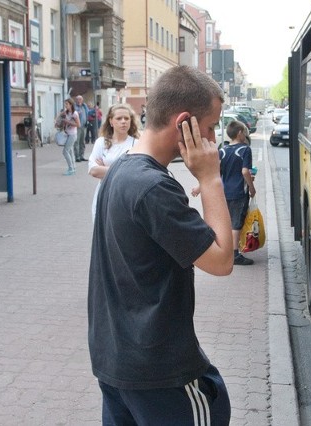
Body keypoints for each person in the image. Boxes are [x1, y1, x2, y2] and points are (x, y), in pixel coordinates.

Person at [88, 65, 233, 425]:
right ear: (184, 121)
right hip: (159, 371)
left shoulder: (121, 170)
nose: (214, 139)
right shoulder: (154, 187)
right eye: (211, 127)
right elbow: (221, 260)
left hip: (116, 361)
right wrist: (211, 179)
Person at [192, 120, 257, 266]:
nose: (246, 135)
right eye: (245, 132)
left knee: (226, 222)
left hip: (223, 192)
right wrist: (251, 187)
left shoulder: (222, 150)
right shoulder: (245, 149)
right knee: (236, 223)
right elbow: (245, 171)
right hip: (239, 192)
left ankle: (223, 249)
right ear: (240, 133)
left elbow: (215, 172)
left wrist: (199, 187)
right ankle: (235, 254)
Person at [87, 103, 140, 221]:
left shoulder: (136, 144)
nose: (123, 121)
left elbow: (136, 173)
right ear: (111, 121)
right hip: (104, 194)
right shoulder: (101, 142)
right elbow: (93, 170)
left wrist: (106, 169)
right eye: (119, 118)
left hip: (126, 196)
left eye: (126, 118)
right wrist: (124, 169)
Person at [55, 98, 80, 176]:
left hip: (72, 135)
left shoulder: (75, 113)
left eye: (67, 104)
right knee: (70, 151)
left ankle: (71, 168)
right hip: (67, 134)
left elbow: (78, 125)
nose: (65, 106)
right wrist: (57, 121)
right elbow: (58, 116)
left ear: (71, 104)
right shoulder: (66, 112)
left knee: (65, 151)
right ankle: (73, 167)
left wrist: (68, 122)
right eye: (65, 104)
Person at [74, 95, 89, 162]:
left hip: (84, 126)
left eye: (80, 99)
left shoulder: (84, 106)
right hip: (77, 127)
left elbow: (88, 112)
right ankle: (77, 157)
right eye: (78, 99)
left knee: (82, 142)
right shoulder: (74, 107)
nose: (79, 101)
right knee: (77, 141)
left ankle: (81, 156)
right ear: (76, 100)